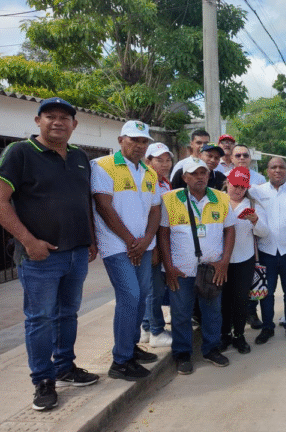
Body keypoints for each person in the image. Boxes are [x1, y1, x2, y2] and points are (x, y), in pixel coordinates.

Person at [0, 97, 99, 411]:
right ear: (38, 121)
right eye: (50, 116)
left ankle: (64, 366)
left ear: (74, 125)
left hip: (76, 254)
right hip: (40, 258)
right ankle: (43, 380)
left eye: (65, 118)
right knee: (40, 319)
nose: (58, 122)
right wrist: (29, 241)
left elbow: (83, 200)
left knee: (68, 314)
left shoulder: (80, 156)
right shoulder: (19, 153)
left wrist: (89, 238)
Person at [92, 120, 161, 381]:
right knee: (130, 296)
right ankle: (120, 362)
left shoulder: (149, 173)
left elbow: (155, 210)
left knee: (141, 296)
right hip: (116, 246)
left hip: (143, 245)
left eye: (144, 141)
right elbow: (103, 207)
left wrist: (146, 240)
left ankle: (130, 348)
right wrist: (131, 240)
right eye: (134, 140)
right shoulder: (102, 166)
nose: (139, 146)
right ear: (121, 140)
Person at [158, 158, 235, 374]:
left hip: (212, 269)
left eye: (203, 172)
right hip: (180, 269)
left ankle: (211, 349)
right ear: (184, 178)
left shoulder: (221, 198)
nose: (200, 177)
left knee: (212, 311)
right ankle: (182, 354)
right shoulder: (170, 199)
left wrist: (224, 262)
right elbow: (163, 234)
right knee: (181, 313)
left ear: (209, 175)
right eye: (194, 173)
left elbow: (230, 230)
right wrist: (169, 266)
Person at [254, 157, 286, 344]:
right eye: (273, 167)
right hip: (266, 251)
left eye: (281, 167)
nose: (277, 170)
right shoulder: (258, 192)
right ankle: (268, 327)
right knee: (266, 292)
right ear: (267, 171)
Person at [221, 166, 269, 354]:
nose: (238, 190)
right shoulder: (218, 201)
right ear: (227, 183)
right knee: (224, 300)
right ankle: (224, 334)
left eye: (242, 187)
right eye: (235, 185)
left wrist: (255, 220)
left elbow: (264, 232)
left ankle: (239, 335)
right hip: (221, 260)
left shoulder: (253, 205)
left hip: (244, 259)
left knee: (241, 300)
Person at [141, 142, 175, 348]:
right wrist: (153, 247)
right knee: (153, 288)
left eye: (167, 160)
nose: (165, 164)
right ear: (148, 161)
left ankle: (146, 327)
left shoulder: (164, 182)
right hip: (151, 243)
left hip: (161, 241)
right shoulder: (147, 182)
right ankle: (156, 331)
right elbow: (147, 216)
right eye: (159, 160)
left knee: (152, 287)